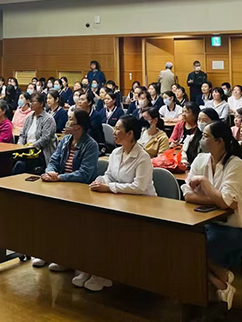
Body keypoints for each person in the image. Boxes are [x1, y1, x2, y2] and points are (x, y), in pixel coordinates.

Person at [183, 121, 242, 309]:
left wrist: (204, 183)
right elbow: (187, 194)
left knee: (198, 249)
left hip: (241, 227)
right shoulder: (201, 160)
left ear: (219, 141)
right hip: (212, 223)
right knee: (185, 244)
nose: (201, 140)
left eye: (206, 136)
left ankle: (216, 286)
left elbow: (226, 203)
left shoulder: (235, 164)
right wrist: (216, 200)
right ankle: (222, 281)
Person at [78, 115, 156, 291]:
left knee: (109, 229)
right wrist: (101, 181)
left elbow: (138, 187)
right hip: (121, 200)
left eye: (118, 129)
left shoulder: (142, 157)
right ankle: (90, 267)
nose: (114, 132)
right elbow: (110, 175)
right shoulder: (115, 153)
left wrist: (109, 187)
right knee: (92, 223)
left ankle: (105, 273)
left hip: (143, 206)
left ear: (130, 134)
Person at [31, 109, 99, 271]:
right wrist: (50, 172)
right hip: (61, 186)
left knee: (66, 221)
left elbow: (84, 174)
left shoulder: (91, 145)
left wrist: (59, 178)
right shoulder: (66, 140)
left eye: (71, 121)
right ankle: (46, 252)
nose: (67, 123)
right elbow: (53, 160)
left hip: (80, 191)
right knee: (45, 215)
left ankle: (65, 258)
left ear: (78, 126)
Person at [15, 93, 58, 175]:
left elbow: (45, 138)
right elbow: (22, 135)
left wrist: (31, 146)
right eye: (30, 102)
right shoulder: (28, 117)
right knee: (17, 164)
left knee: (22, 166)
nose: (31, 104)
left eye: (33, 102)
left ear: (41, 103)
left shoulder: (48, 119)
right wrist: (20, 146)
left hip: (41, 154)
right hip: (27, 152)